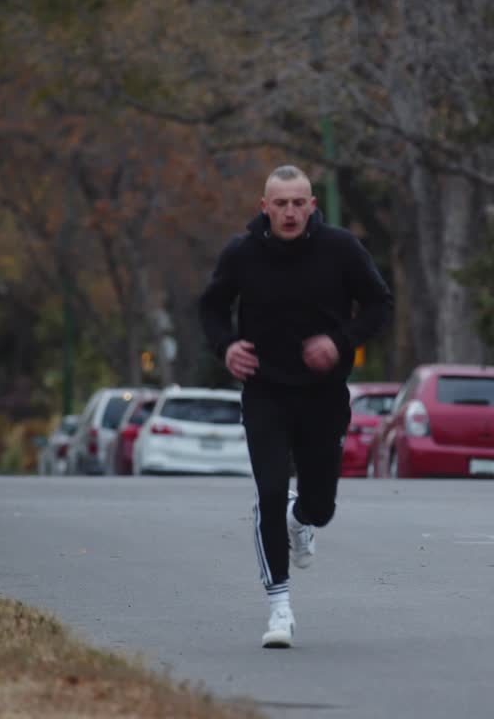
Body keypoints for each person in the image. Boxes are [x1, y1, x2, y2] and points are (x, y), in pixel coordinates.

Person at [199, 165, 393, 648]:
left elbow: (378, 305)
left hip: (323, 395)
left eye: (298, 203)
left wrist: (340, 341)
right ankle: (279, 608)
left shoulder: (341, 249)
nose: (289, 212)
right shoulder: (242, 254)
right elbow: (211, 306)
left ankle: (301, 518)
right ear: (265, 207)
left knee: (320, 505)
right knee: (267, 490)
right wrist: (226, 346)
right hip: (264, 391)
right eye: (280, 203)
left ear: (312, 205)